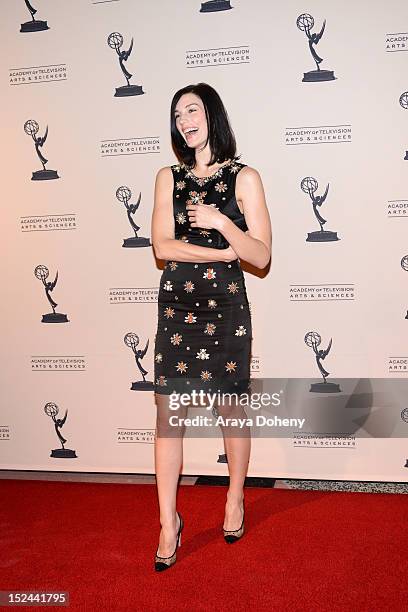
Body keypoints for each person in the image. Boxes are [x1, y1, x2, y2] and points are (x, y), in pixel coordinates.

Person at [151, 82, 271, 571]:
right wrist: (219, 252)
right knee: (167, 419)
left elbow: (260, 254)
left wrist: (223, 223)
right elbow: (162, 247)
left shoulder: (246, 177)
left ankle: (235, 499)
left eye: (193, 110)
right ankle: (167, 523)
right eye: (177, 114)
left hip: (225, 309)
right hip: (177, 308)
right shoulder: (167, 177)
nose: (184, 120)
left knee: (231, 411)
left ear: (213, 116)